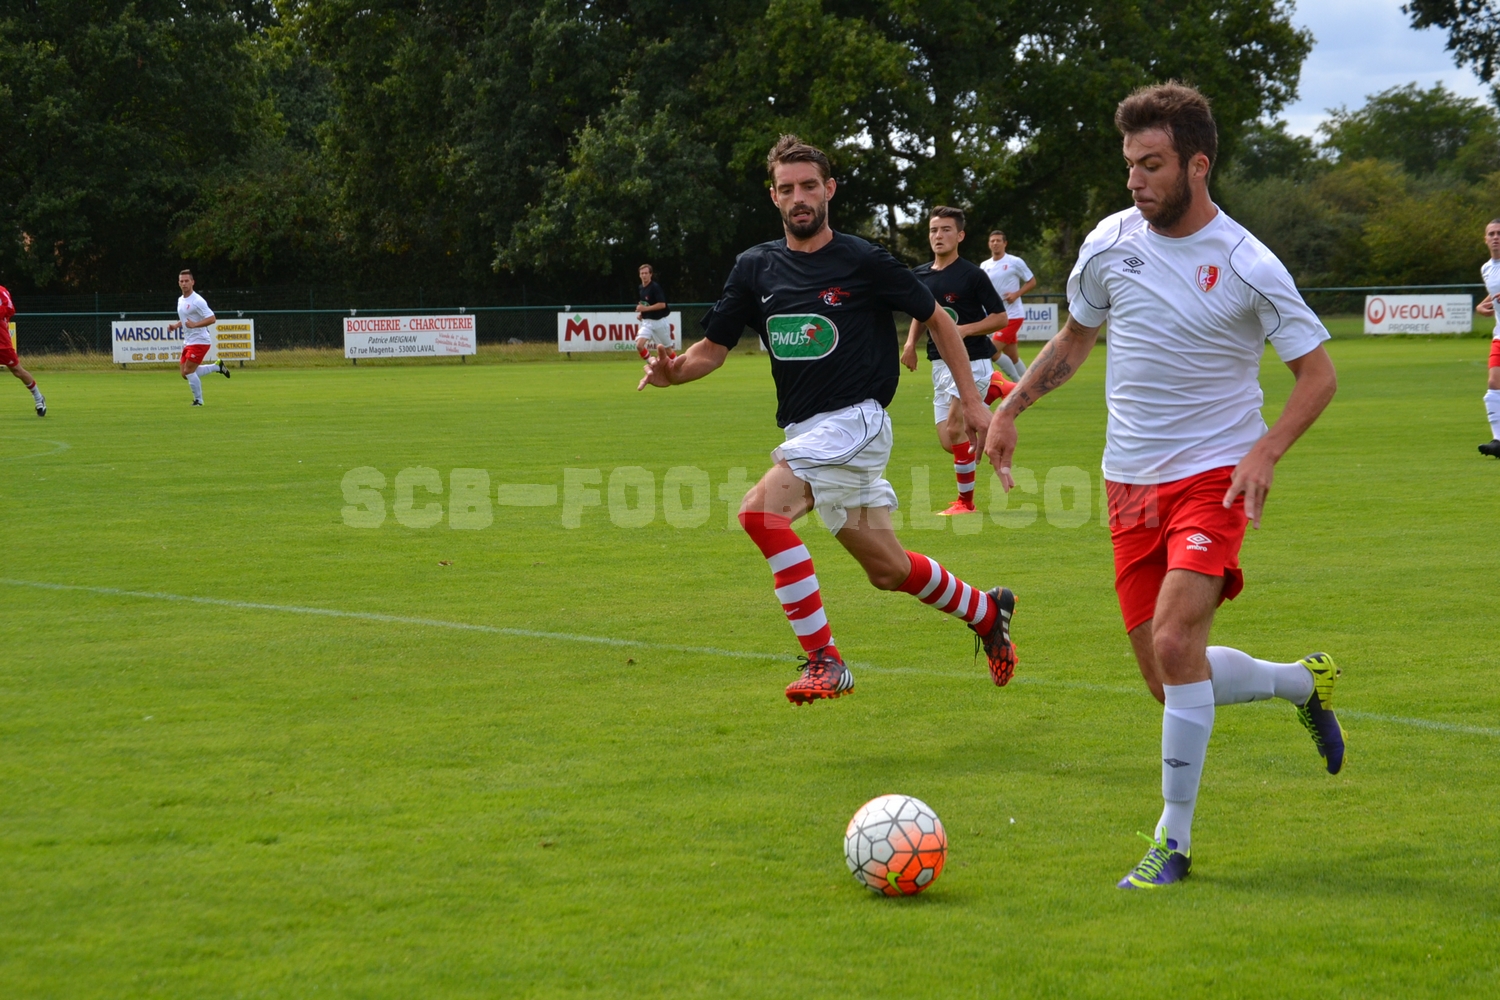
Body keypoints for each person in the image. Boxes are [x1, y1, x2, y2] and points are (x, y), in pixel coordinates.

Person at [984, 83, 1343, 889]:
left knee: (1180, 644)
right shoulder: (1111, 243)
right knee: (1165, 678)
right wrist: (1012, 408)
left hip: (1214, 475)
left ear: (1198, 164)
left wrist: (1268, 451)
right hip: (1128, 484)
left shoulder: (1248, 263)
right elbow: (1076, 337)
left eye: (1152, 165)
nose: (1136, 181)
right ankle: (1299, 683)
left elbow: (1317, 376)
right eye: (1129, 167)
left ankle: (1171, 844)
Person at [638, 135, 1018, 702]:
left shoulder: (863, 259)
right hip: (808, 433)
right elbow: (709, 351)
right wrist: (673, 373)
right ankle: (987, 612)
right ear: (774, 196)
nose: (799, 197)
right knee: (887, 570)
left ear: (829, 189)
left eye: (809, 185)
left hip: (856, 422)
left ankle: (826, 661)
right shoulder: (754, 267)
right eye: (787, 188)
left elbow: (938, 319)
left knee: (761, 516)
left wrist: (972, 399)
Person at [900, 206, 1014, 515]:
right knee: (949, 441)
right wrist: (911, 343)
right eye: (934, 230)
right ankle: (992, 389)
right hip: (938, 364)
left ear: (960, 235)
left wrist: (963, 330)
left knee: (954, 428)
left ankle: (966, 503)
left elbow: (1000, 317)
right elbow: (921, 312)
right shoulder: (920, 274)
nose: (938, 235)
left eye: (946, 230)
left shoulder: (972, 274)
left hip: (970, 360)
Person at [980, 230, 1036, 381]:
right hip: (995, 316)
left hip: (1012, 315)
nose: (995, 243)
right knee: (1012, 356)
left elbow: (1031, 281)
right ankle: (1028, 388)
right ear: (989, 244)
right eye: (992, 241)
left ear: (1005, 243)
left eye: (998, 240)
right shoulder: (984, 265)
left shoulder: (1015, 262)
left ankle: (1017, 387)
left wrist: (1016, 294)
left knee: (991, 352)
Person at [167, 270, 229, 406]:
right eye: (181, 281)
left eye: (186, 281)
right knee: (185, 373)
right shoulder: (180, 300)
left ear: (192, 282)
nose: (184, 283)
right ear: (178, 283)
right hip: (188, 341)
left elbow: (212, 318)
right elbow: (185, 318)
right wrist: (176, 325)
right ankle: (217, 367)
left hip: (200, 341)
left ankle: (198, 401)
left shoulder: (198, 301)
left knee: (189, 371)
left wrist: (195, 325)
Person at [0, 283, 46, 416]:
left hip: (2, 341)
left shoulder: (1, 291)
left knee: (17, 370)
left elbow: (10, 309)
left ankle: (38, 398)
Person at [1476, 219, 1500, 457]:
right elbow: (1494, 293)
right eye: (1491, 233)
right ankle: (1499, 441)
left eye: (1499, 233)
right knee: (1494, 384)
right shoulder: (1486, 268)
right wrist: (1480, 307)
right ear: (1485, 239)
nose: (1495, 237)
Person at [634, 264, 675, 360]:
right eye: (642, 273)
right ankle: (651, 362)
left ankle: (677, 365)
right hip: (647, 322)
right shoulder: (641, 288)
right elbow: (647, 304)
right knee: (639, 345)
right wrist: (642, 314)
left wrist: (645, 309)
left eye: (646, 273)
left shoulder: (655, 287)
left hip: (659, 322)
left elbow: (662, 304)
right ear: (639, 275)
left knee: (667, 350)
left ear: (650, 274)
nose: (644, 275)